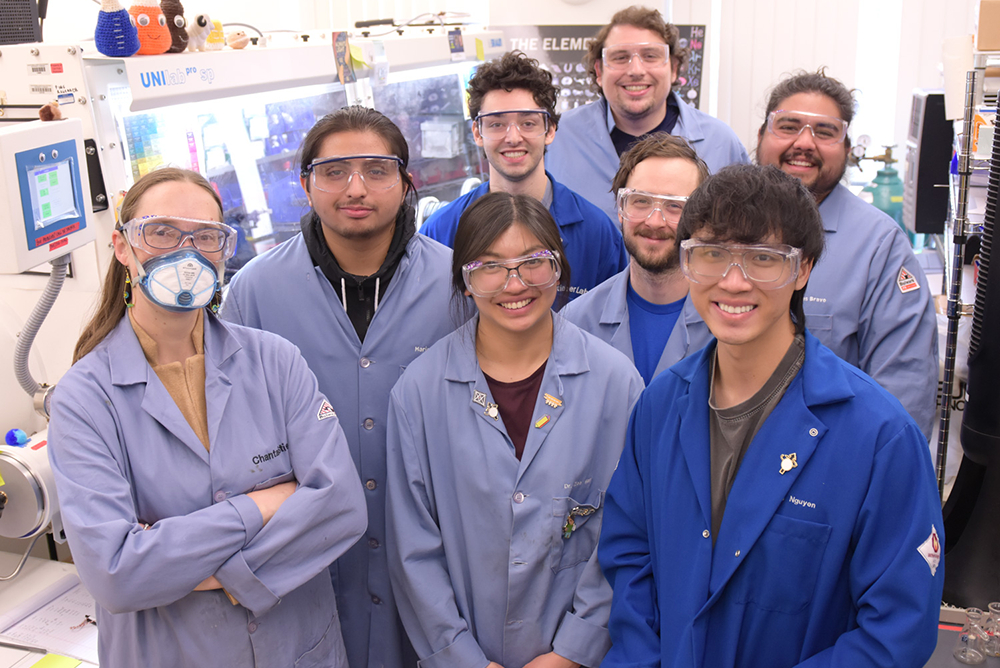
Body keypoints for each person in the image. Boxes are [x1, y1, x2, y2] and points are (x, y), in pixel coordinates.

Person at [599, 164, 945, 668]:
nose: (733, 282)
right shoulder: (660, 406)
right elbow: (631, 560)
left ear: (802, 270)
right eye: (712, 254)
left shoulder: (878, 436)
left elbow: (897, 630)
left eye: (763, 258)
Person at [47, 168, 368, 667]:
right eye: (162, 232)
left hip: (300, 650)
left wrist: (182, 558)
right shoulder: (83, 401)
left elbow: (342, 505)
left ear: (224, 250)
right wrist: (263, 506)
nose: (186, 251)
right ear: (122, 246)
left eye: (206, 237)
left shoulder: (275, 361)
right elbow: (117, 573)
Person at [222, 106, 457, 668]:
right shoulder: (255, 291)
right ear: (305, 185)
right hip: (303, 559)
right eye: (334, 171)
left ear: (407, 183)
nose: (356, 188)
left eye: (377, 170)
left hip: (430, 552)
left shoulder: (457, 285)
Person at [386, 192, 644, 668]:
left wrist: (573, 651)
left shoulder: (616, 382)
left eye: (533, 261)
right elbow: (412, 550)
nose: (515, 283)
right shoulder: (418, 393)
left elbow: (626, 536)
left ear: (560, 269)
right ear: (464, 281)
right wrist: (461, 658)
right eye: (489, 266)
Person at [755, 69, 938, 440]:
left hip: (830, 465)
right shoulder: (721, 229)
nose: (804, 143)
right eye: (788, 126)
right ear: (760, 137)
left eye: (824, 132)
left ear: (848, 150)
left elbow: (904, 387)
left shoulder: (879, 246)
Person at [421, 50, 628, 303]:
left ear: (550, 129)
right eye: (496, 124)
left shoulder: (597, 234)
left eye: (528, 123)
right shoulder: (441, 232)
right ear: (477, 132)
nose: (513, 137)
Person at [546, 6, 748, 221]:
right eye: (620, 57)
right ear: (599, 71)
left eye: (650, 56)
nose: (636, 70)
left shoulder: (721, 144)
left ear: (674, 68)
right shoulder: (556, 138)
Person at [561, 133, 713, 385]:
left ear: (701, 220)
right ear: (620, 210)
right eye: (640, 201)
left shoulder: (726, 324)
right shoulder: (574, 323)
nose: (654, 221)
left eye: (675, 206)